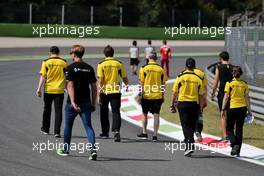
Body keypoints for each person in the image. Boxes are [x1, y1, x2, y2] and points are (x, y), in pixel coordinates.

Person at [56, 45, 98, 160]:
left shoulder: (70, 68)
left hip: (72, 103)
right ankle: (93, 150)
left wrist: (73, 101)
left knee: (68, 127)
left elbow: (70, 85)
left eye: (71, 53)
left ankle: (65, 149)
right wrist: (94, 103)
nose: (70, 55)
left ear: (74, 54)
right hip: (86, 102)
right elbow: (94, 88)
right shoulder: (89, 68)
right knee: (88, 127)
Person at [170, 58, 204, 157]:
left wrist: (172, 105)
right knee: (192, 126)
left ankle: (189, 146)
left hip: (183, 103)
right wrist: (201, 109)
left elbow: (174, 92)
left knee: (185, 125)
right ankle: (190, 145)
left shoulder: (180, 77)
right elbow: (201, 96)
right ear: (194, 67)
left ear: (185, 66)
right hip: (194, 104)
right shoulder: (198, 79)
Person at [97, 45, 129, 142]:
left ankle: (105, 132)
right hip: (115, 91)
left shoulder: (101, 64)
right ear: (113, 53)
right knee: (116, 111)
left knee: (104, 112)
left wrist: (98, 93)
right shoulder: (118, 63)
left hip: (105, 91)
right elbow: (124, 77)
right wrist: (127, 84)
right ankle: (116, 131)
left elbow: (101, 80)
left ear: (105, 54)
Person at [36, 46, 68, 138]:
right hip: (59, 90)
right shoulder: (64, 62)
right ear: (58, 53)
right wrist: (66, 87)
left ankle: (45, 129)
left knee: (47, 109)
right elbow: (67, 77)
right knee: (58, 111)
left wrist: (38, 89)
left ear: (50, 52)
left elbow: (43, 76)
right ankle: (57, 132)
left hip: (48, 90)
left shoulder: (46, 62)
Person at [221, 66, 251, 157]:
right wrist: (249, 111)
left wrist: (222, 109)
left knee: (229, 128)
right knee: (239, 129)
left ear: (233, 74)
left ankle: (234, 144)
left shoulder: (229, 83)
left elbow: (226, 97)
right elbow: (247, 98)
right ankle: (237, 151)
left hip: (232, 108)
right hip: (242, 108)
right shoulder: (244, 84)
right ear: (240, 74)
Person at [137, 51, 166, 142]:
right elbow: (163, 84)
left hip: (146, 95)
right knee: (156, 115)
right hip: (157, 96)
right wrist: (163, 95)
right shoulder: (161, 69)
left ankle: (144, 132)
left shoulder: (143, 68)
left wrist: (140, 95)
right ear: (156, 58)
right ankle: (155, 135)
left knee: (144, 113)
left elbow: (141, 83)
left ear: (148, 58)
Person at [211, 51, 233, 141]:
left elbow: (215, 82)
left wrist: (212, 94)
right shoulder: (233, 67)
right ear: (228, 58)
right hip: (232, 93)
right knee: (231, 114)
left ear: (220, 58)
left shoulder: (219, 67)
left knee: (223, 114)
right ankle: (231, 134)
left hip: (222, 93)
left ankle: (225, 136)